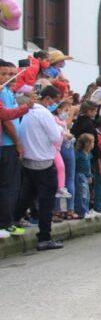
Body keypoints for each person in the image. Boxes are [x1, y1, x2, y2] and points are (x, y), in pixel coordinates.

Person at [16, 85, 63, 250]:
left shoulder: (28, 111)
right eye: (55, 101)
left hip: (28, 160)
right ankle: (44, 237)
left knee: (27, 196)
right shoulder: (43, 113)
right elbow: (56, 137)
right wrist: (60, 128)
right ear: (48, 99)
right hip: (43, 162)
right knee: (46, 202)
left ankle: (12, 220)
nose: (55, 105)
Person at [0, 59, 28, 238]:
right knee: (8, 187)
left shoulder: (8, 92)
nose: (9, 78)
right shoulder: (2, 93)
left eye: (11, 74)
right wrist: (17, 142)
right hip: (6, 145)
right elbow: (6, 119)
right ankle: (5, 223)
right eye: (4, 74)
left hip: (9, 145)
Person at [74, 134, 94, 219]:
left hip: (86, 175)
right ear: (86, 143)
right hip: (79, 175)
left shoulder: (88, 153)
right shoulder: (78, 154)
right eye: (92, 142)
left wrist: (90, 175)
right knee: (82, 194)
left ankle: (85, 210)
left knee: (87, 194)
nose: (93, 144)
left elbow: (89, 165)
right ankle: (81, 211)